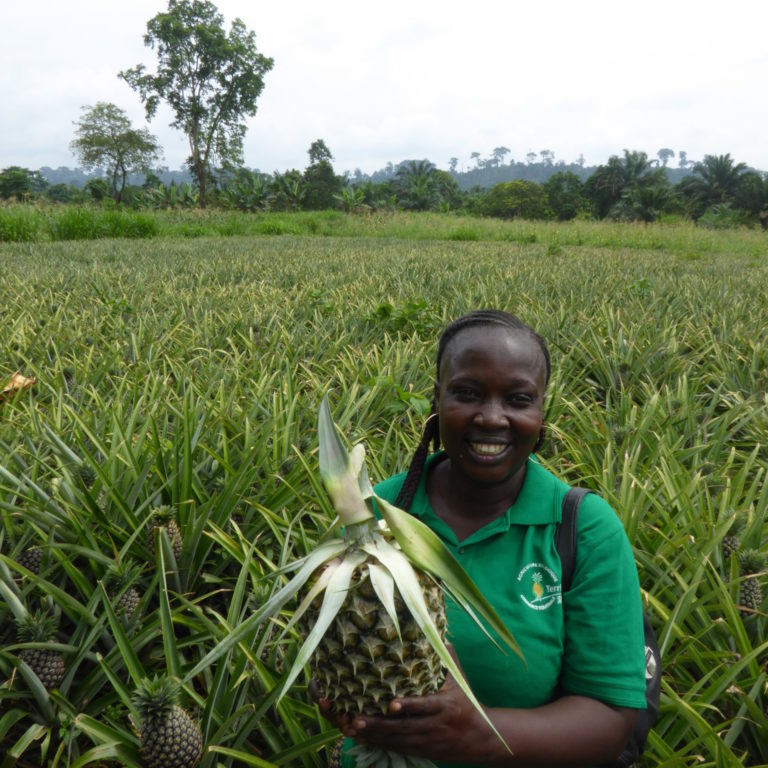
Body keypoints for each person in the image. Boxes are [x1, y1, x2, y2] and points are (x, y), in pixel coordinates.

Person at [314, 309, 647, 767]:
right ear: (436, 399)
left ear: (541, 410)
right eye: (467, 393)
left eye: (518, 398)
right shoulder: (377, 513)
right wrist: (338, 682)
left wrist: (479, 735)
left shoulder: (584, 528)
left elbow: (611, 720)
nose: (492, 418)